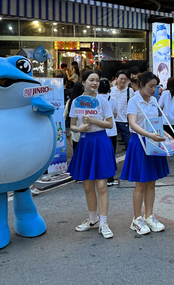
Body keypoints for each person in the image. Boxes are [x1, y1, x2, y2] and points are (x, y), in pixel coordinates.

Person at [120, 71, 170, 235]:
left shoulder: (154, 100)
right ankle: (136, 219)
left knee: (152, 182)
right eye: (151, 86)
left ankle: (149, 215)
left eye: (155, 86)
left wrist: (167, 136)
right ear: (141, 84)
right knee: (140, 183)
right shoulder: (134, 101)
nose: (154, 89)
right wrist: (149, 135)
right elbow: (132, 124)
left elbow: (155, 122)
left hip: (152, 141)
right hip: (140, 142)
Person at [68, 71, 116, 239]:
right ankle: (93, 219)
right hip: (85, 143)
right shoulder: (77, 102)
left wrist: (95, 121)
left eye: (97, 80)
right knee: (87, 186)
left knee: (102, 185)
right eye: (91, 80)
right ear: (84, 82)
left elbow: (110, 124)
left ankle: (104, 222)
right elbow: (72, 125)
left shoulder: (102, 101)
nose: (95, 83)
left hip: (101, 141)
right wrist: (79, 129)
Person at [98, 78, 119, 187]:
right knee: (111, 154)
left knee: (100, 155)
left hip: (99, 130)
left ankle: (100, 177)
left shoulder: (95, 100)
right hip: (111, 131)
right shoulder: (113, 99)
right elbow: (115, 115)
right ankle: (110, 178)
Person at [110, 70, 135, 152]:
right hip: (112, 119)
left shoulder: (130, 91)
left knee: (128, 141)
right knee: (111, 141)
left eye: (125, 79)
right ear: (116, 79)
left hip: (124, 119)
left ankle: (130, 158)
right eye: (121, 79)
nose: (123, 81)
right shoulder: (111, 90)